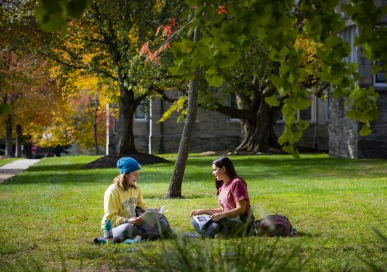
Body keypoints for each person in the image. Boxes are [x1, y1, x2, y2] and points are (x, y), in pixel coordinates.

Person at [99, 157, 171, 242]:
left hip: (135, 224)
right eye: (135, 174)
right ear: (125, 175)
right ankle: (148, 235)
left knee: (162, 222)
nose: (137, 177)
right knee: (127, 228)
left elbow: (141, 205)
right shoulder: (112, 192)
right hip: (117, 227)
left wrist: (152, 211)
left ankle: (139, 237)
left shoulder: (135, 188)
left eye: (138, 174)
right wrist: (127, 220)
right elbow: (110, 219)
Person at [190, 156, 255, 238]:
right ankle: (216, 234)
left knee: (219, 223)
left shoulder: (237, 183)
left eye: (215, 170)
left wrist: (222, 215)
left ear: (223, 169)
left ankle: (207, 234)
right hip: (226, 219)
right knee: (195, 221)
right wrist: (203, 211)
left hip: (241, 220)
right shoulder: (222, 185)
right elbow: (223, 209)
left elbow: (241, 210)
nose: (213, 173)